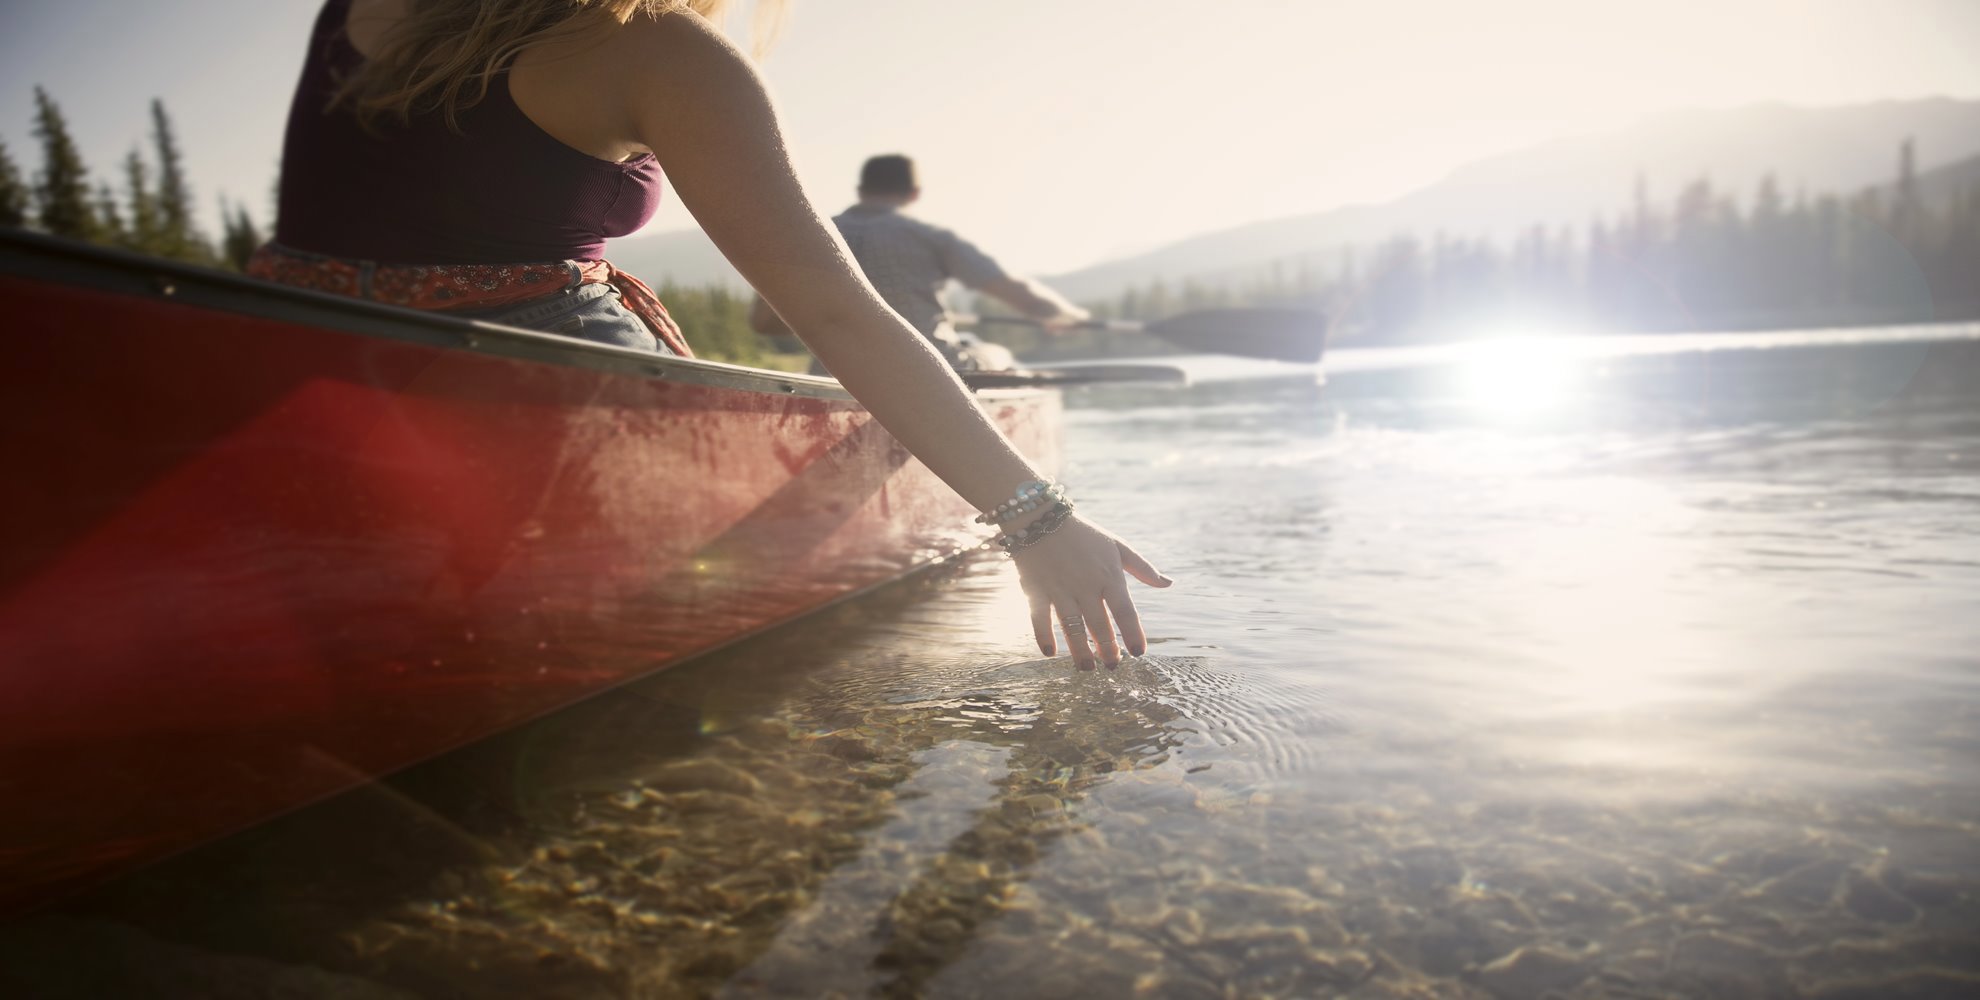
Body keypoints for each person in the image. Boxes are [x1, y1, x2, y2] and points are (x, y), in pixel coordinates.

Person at [251, 0, 1168, 670]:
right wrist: (1036, 517)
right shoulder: (655, 46)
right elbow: (835, 314)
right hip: (551, 395)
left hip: (283, 361)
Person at [749, 154, 1088, 372]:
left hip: (837, 376)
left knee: (970, 341)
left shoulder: (806, 236)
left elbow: (764, 323)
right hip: (934, 372)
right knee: (998, 354)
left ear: (860, 190)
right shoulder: (931, 237)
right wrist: (1066, 316)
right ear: (914, 193)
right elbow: (1021, 295)